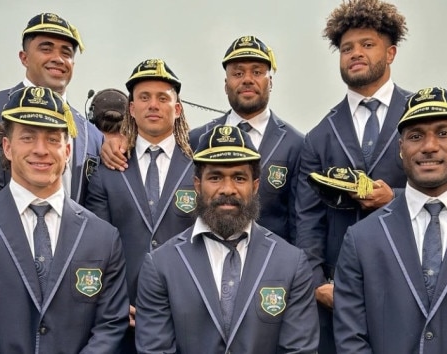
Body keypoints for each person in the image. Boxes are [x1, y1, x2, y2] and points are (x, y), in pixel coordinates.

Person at [294, 1, 447, 353]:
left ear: (390, 53)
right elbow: (307, 219)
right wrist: (317, 282)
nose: (356, 53)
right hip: (350, 287)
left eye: (367, 45)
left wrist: (398, 198)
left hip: (431, 274)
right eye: (347, 48)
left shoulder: (424, 118)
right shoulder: (318, 136)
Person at [99, 35, 304, 244]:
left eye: (257, 72)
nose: (248, 79)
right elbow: (155, 142)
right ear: (226, 85)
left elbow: (301, 219)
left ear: (271, 82)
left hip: (272, 265)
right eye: (238, 73)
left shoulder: (295, 143)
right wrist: (113, 142)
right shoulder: (198, 140)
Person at [136, 124, 319, 353]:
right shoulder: (161, 265)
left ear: (255, 186)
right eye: (215, 177)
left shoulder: (291, 263)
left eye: (239, 178)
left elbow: (299, 350)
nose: (227, 189)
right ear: (197, 185)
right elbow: (155, 350)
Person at [334, 86, 447, 353]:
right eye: (416, 136)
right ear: (401, 147)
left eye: (443, 133)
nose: (429, 146)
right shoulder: (362, 239)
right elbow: (351, 341)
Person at [0, 86, 128, 353]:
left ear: (68, 150)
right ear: (7, 147)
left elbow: (110, 326)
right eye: (27, 137)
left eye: (53, 139)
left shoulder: (102, 237)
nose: (41, 150)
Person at [85, 58, 196, 354]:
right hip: (125, 320)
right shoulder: (108, 169)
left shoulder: (201, 169)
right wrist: (115, 302)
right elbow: (97, 248)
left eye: (163, 98)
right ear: (131, 109)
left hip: (191, 317)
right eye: (144, 97)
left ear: (178, 108)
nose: (153, 105)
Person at [0, 12, 103, 204]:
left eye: (66, 53)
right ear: (24, 58)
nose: (58, 58)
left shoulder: (92, 135)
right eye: (46, 49)